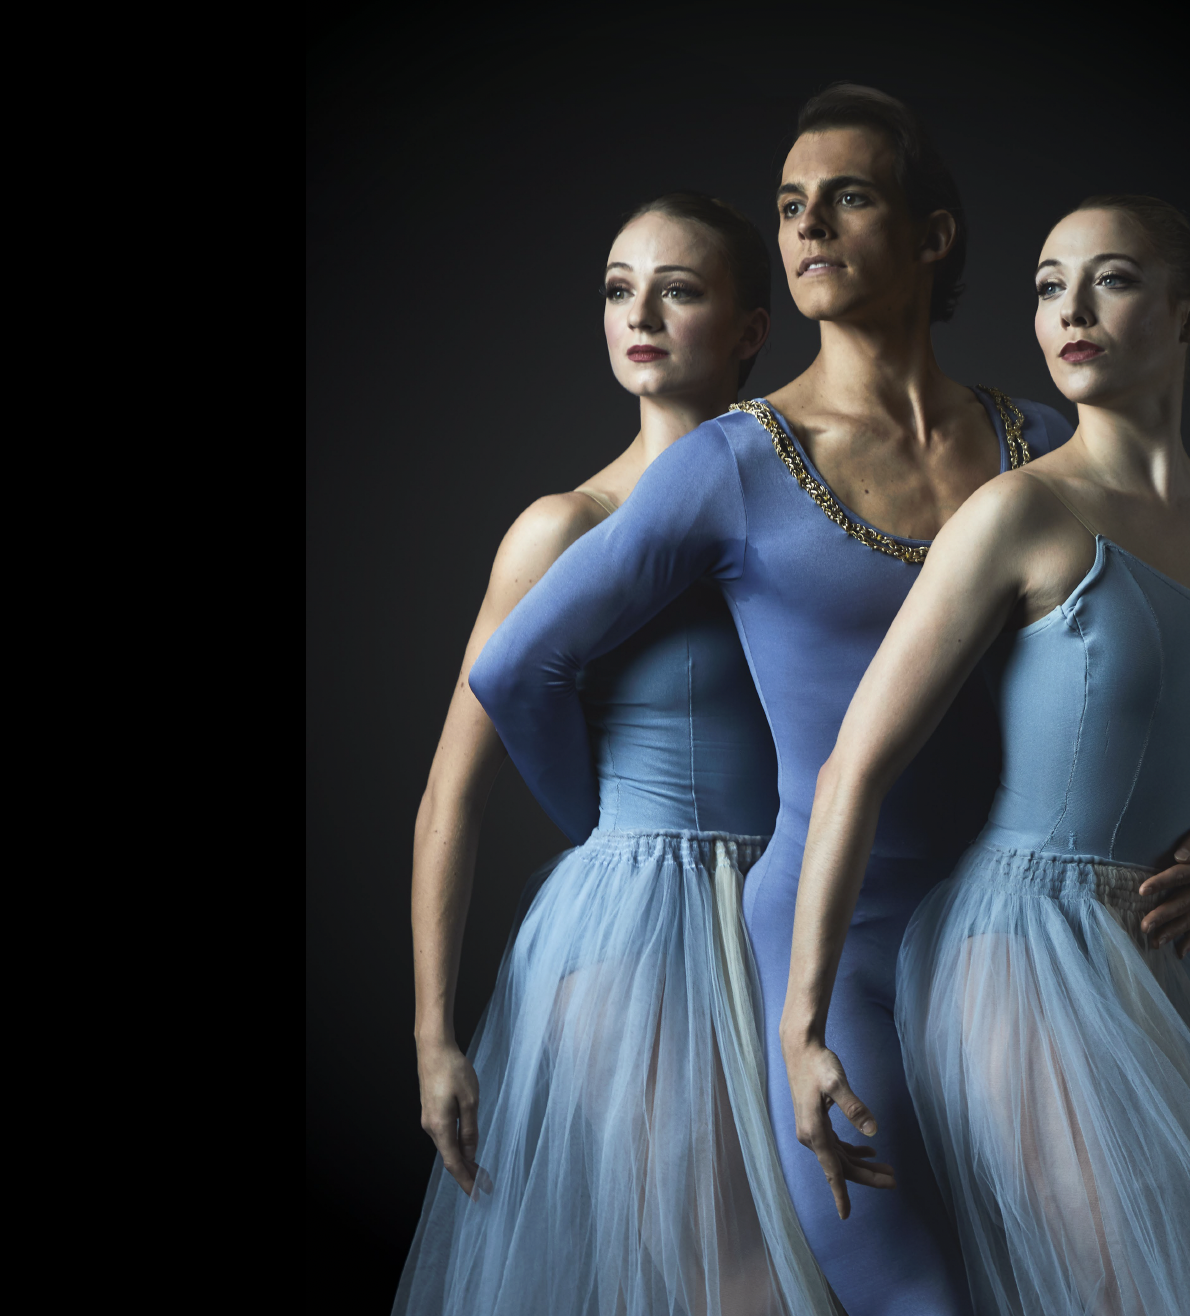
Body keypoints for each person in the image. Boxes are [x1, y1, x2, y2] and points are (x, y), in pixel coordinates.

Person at [468, 88, 1190, 1314]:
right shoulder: (730, 461)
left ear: (934, 237)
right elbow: (518, 667)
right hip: (837, 956)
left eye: (849, 197)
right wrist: (610, 841)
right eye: (789, 205)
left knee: (1088, 1280)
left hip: (1013, 951)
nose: (809, 225)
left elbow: (1151, 673)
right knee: (912, 1296)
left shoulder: (1036, 438)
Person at [785, 195, 1190, 1313]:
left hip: (1181, 966)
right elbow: (854, 765)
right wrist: (799, 1026)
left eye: (1112, 279)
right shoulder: (1018, 513)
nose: (1069, 309)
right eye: (1047, 284)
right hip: (1022, 955)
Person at [399, 193, 838, 1315]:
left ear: (751, 328)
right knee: (724, 1276)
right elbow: (452, 790)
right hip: (639, 931)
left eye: (677, 288)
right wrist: (433, 1033)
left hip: (797, 914)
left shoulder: (813, 509)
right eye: (616, 287)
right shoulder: (565, 526)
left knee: (831, 1260)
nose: (637, 312)